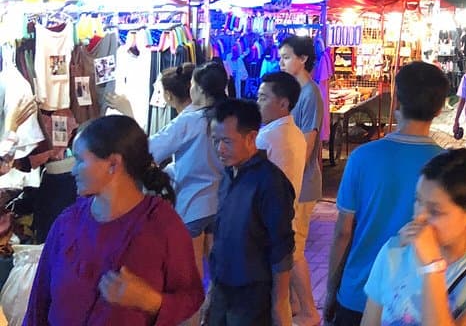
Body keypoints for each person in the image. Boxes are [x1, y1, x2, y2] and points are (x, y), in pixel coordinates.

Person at [23, 116, 205, 325]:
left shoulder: (161, 224)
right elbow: (38, 304)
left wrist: (150, 301)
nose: (73, 170)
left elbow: (191, 296)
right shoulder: (68, 222)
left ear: (113, 164)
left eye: (80, 160)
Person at [324, 61, 448, 326]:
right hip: (413, 300)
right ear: (439, 109)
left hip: (358, 292)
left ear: (396, 102)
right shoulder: (448, 166)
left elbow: (343, 232)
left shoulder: (362, 158)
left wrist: (331, 289)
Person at [362, 149, 466, 326]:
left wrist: (432, 266)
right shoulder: (395, 251)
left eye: (435, 211)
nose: (419, 217)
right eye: (418, 201)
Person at [207, 99, 296, 326]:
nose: (220, 149)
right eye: (216, 141)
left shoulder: (270, 182)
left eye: (227, 141)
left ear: (251, 137)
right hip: (222, 288)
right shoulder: (229, 174)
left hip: (252, 294)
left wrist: (280, 303)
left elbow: (282, 247)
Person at [149, 59, 227, 279]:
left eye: (192, 85)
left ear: (199, 90)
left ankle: (200, 303)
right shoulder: (227, 115)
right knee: (218, 268)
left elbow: (151, 150)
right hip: (221, 200)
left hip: (193, 202)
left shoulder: (190, 121)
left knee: (191, 273)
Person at [278, 34, 324, 326]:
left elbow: (307, 145)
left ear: (303, 58)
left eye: (286, 57)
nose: (281, 63)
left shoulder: (310, 94)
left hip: (301, 183)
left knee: (295, 249)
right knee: (289, 247)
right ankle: (294, 303)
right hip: (290, 180)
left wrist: (291, 183)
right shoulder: (296, 92)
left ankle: (309, 309)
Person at [256, 71, 306, 200]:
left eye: (263, 98)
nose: (258, 103)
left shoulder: (266, 138)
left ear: (283, 104)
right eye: (258, 97)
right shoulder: (298, 134)